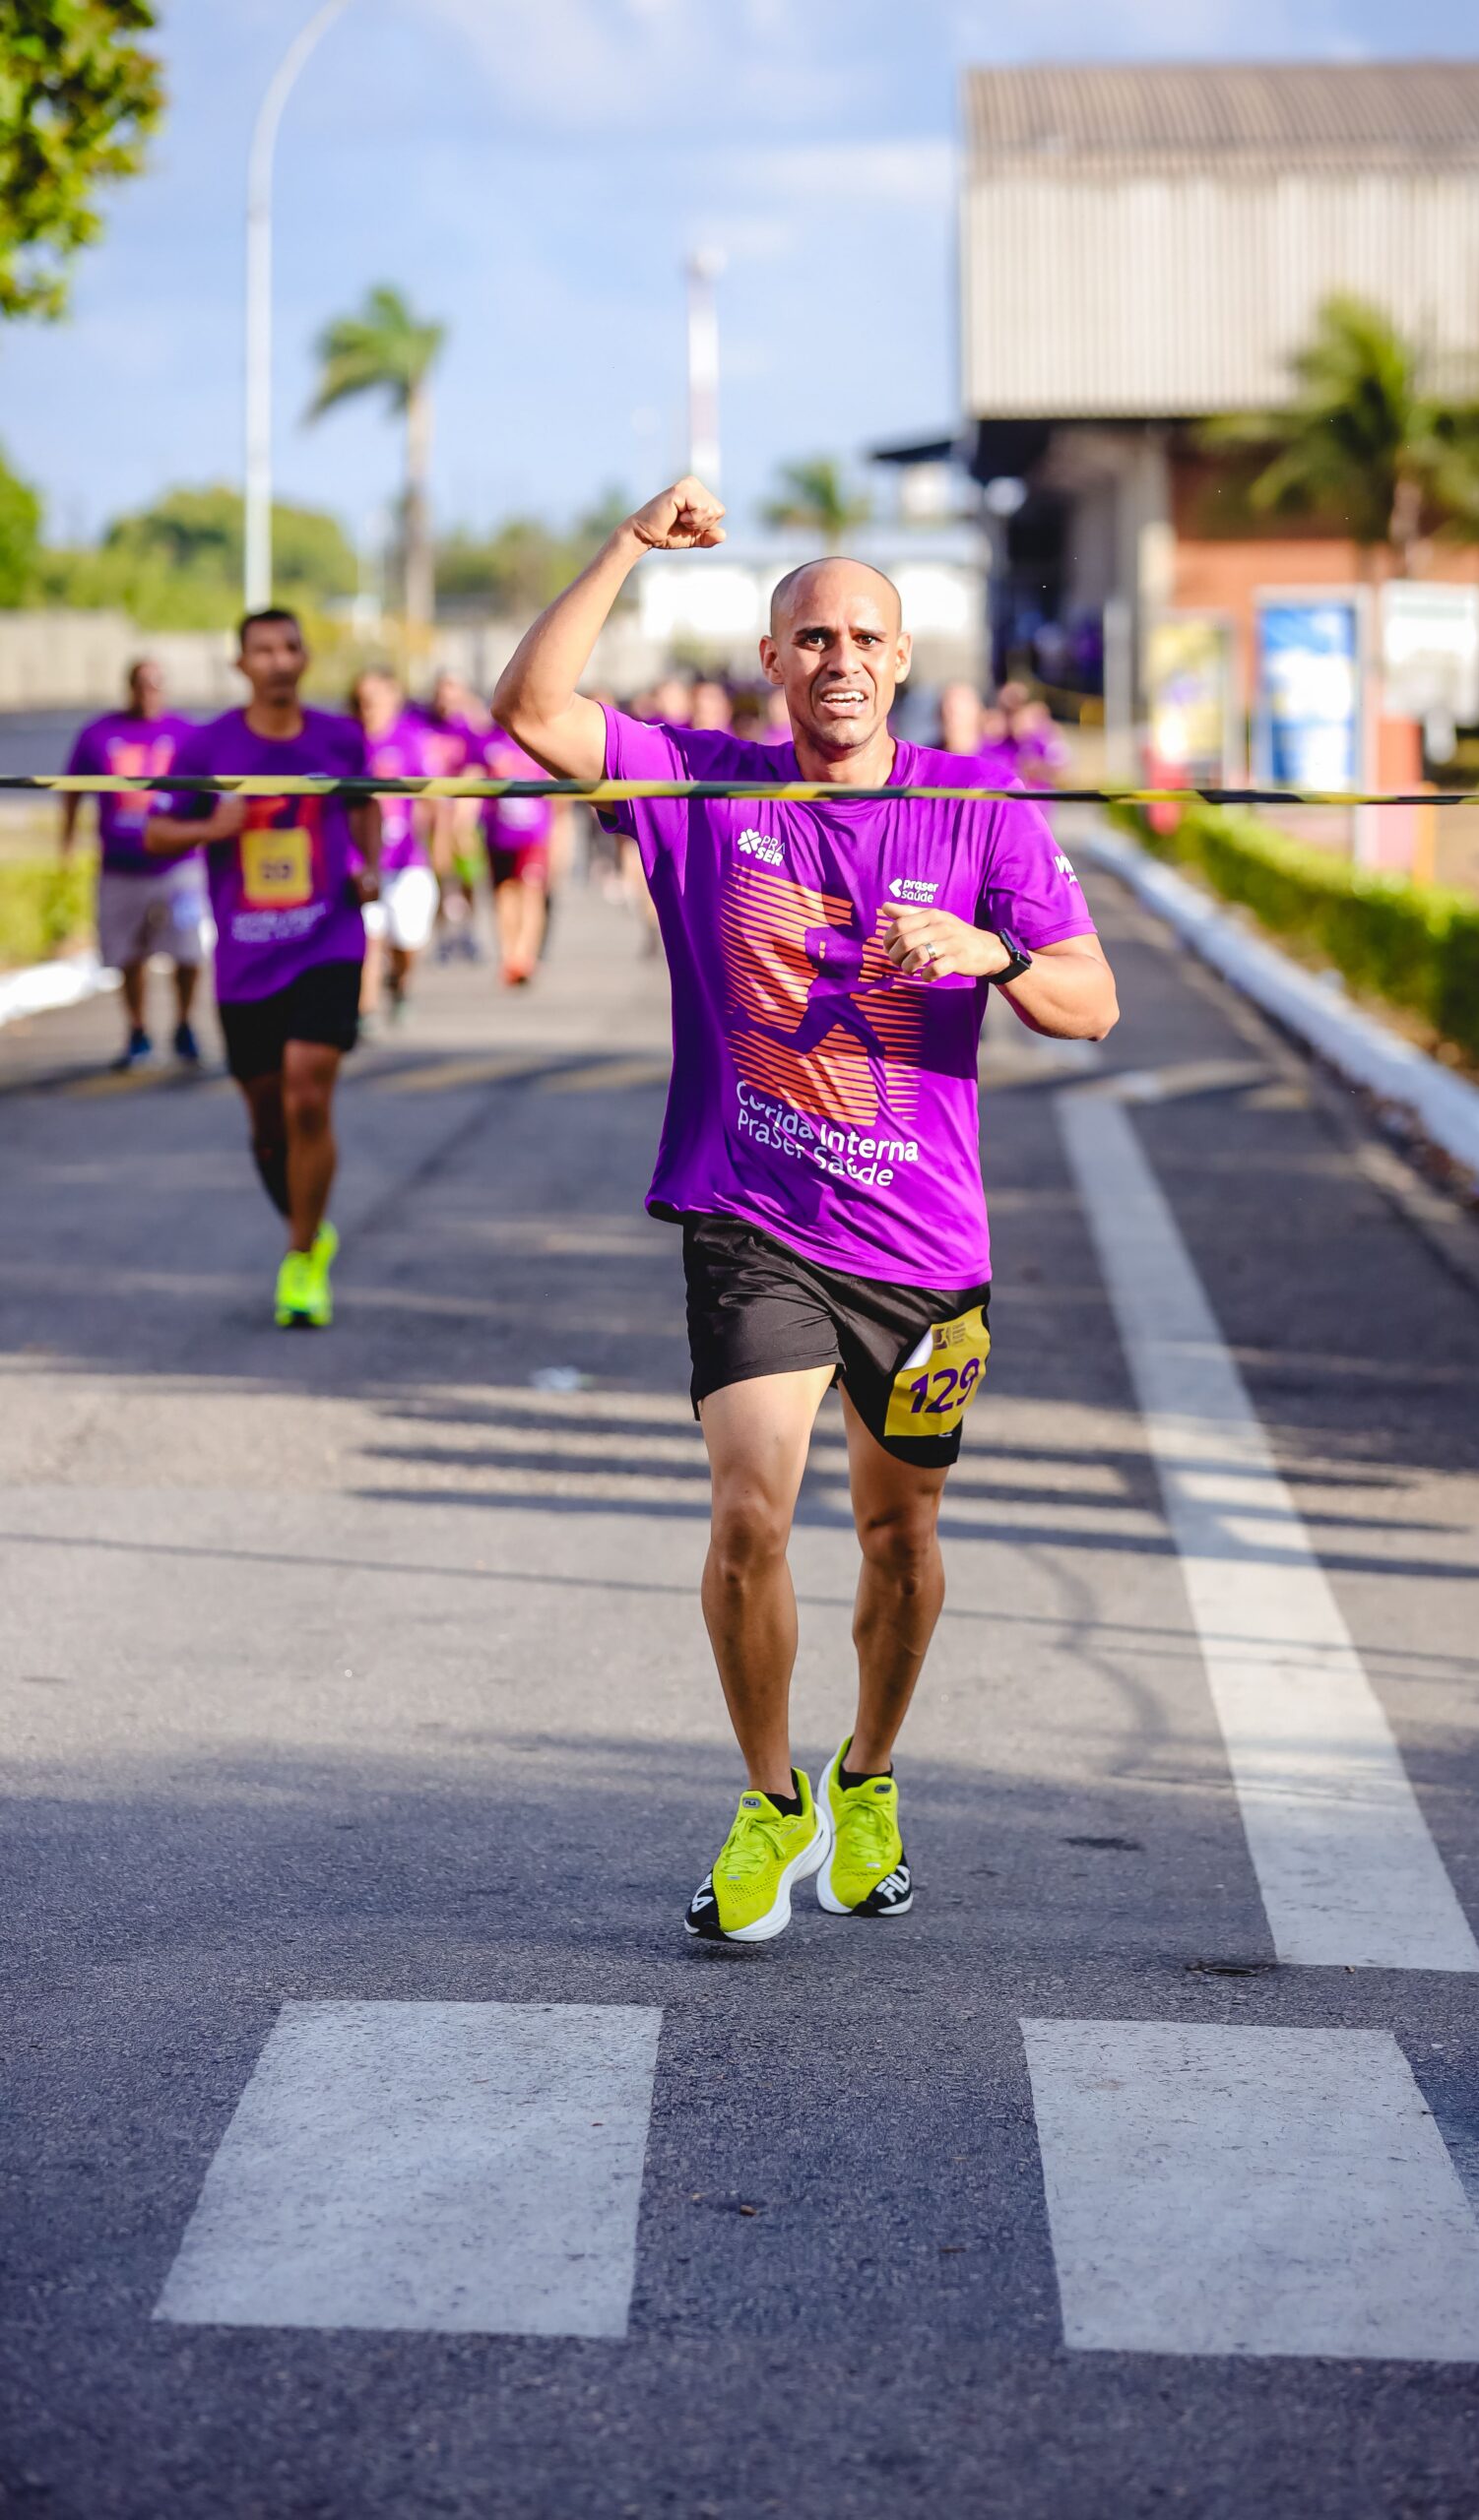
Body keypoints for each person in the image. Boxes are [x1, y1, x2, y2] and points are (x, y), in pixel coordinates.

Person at [492, 478, 1117, 1944]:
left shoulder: (977, 807)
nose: (839, 659)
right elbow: (530, 710)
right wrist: (627, 545)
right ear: (771, 659)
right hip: (753, 1220)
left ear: (900, 662)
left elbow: (1091, 1004)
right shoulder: (702, 788)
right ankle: (771, 1798)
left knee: (899, 1540)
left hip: (924, 1248)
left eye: (864, 638)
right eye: (812, 637)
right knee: (745, 1518)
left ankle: (868, 1775)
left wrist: (988, 955)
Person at [145, 609, 379, 1331]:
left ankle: (300, 1257)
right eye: (263, 650)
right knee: (268, 1121)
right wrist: (209, 826)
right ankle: (308, 1224)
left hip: (328, 939)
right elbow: (156, 831)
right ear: (240, 664)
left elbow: (368, 805)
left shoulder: (339, 737)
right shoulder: (206, 745)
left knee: (309, 1091)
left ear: (305, 659)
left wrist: (368, 866)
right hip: (246, 955)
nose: (278, 661)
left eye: (289, 648)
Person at [61, 660, 207, 1071]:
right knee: (128, 952)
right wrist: (66, 841)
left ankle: (184, 1024)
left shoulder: (186, 733)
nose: (148, 692)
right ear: (129, 687)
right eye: (142, 684)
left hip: (178, 864)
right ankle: (138, 1030)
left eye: (156, 684)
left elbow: (209, 796)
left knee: (188, 951)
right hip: (121, 866)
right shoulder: (98, 733)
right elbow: (71, 789)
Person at [351, 667, 437, 1022]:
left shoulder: (410, 740)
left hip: (406, 861)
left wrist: (438, 846)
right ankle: (365, 1009)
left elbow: (431, 800)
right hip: (359, 859)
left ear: (393, 698)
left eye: (374, 697)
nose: (367, 705)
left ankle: (401, 983)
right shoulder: (348, 741)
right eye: (360, 699)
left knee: (407, 939)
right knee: (368, 937)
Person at [473, 720, 554, 985]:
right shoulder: (487, 742)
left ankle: (525, 956)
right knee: (504, 893)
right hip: (499, 833)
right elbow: (473, 780)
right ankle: (509, 956)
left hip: (533, 833)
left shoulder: (540, 738)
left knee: (531, 891)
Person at [418, 671, 487, 961]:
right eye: (441, 690)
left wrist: (463, 812)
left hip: (463, 813)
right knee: (438, 876)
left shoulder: (470, 728)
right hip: (432, 814)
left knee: (468, 875)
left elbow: (477, 768)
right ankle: (442, 937)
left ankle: (468, 932)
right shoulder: (421, 724)